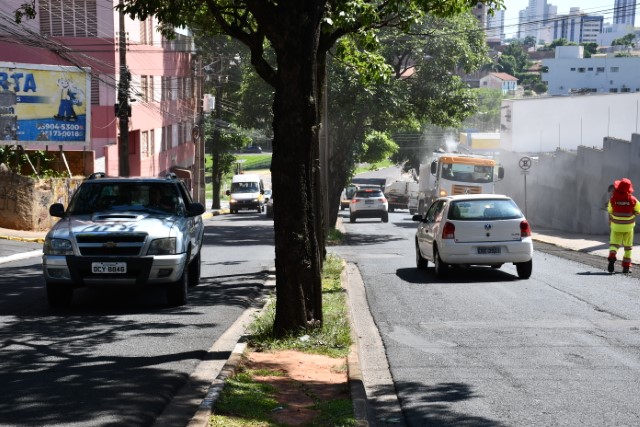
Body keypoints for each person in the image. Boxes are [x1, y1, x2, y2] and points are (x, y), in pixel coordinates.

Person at [607, 178, 640, 274]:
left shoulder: (613, 199)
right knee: (628, 247)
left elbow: (610, 210)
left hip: (616, 226)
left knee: (614, 244)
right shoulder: (632, 199)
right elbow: (638, 209)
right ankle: (626, 267)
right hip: (628, 227)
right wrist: (635, 212)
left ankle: (612, 257)